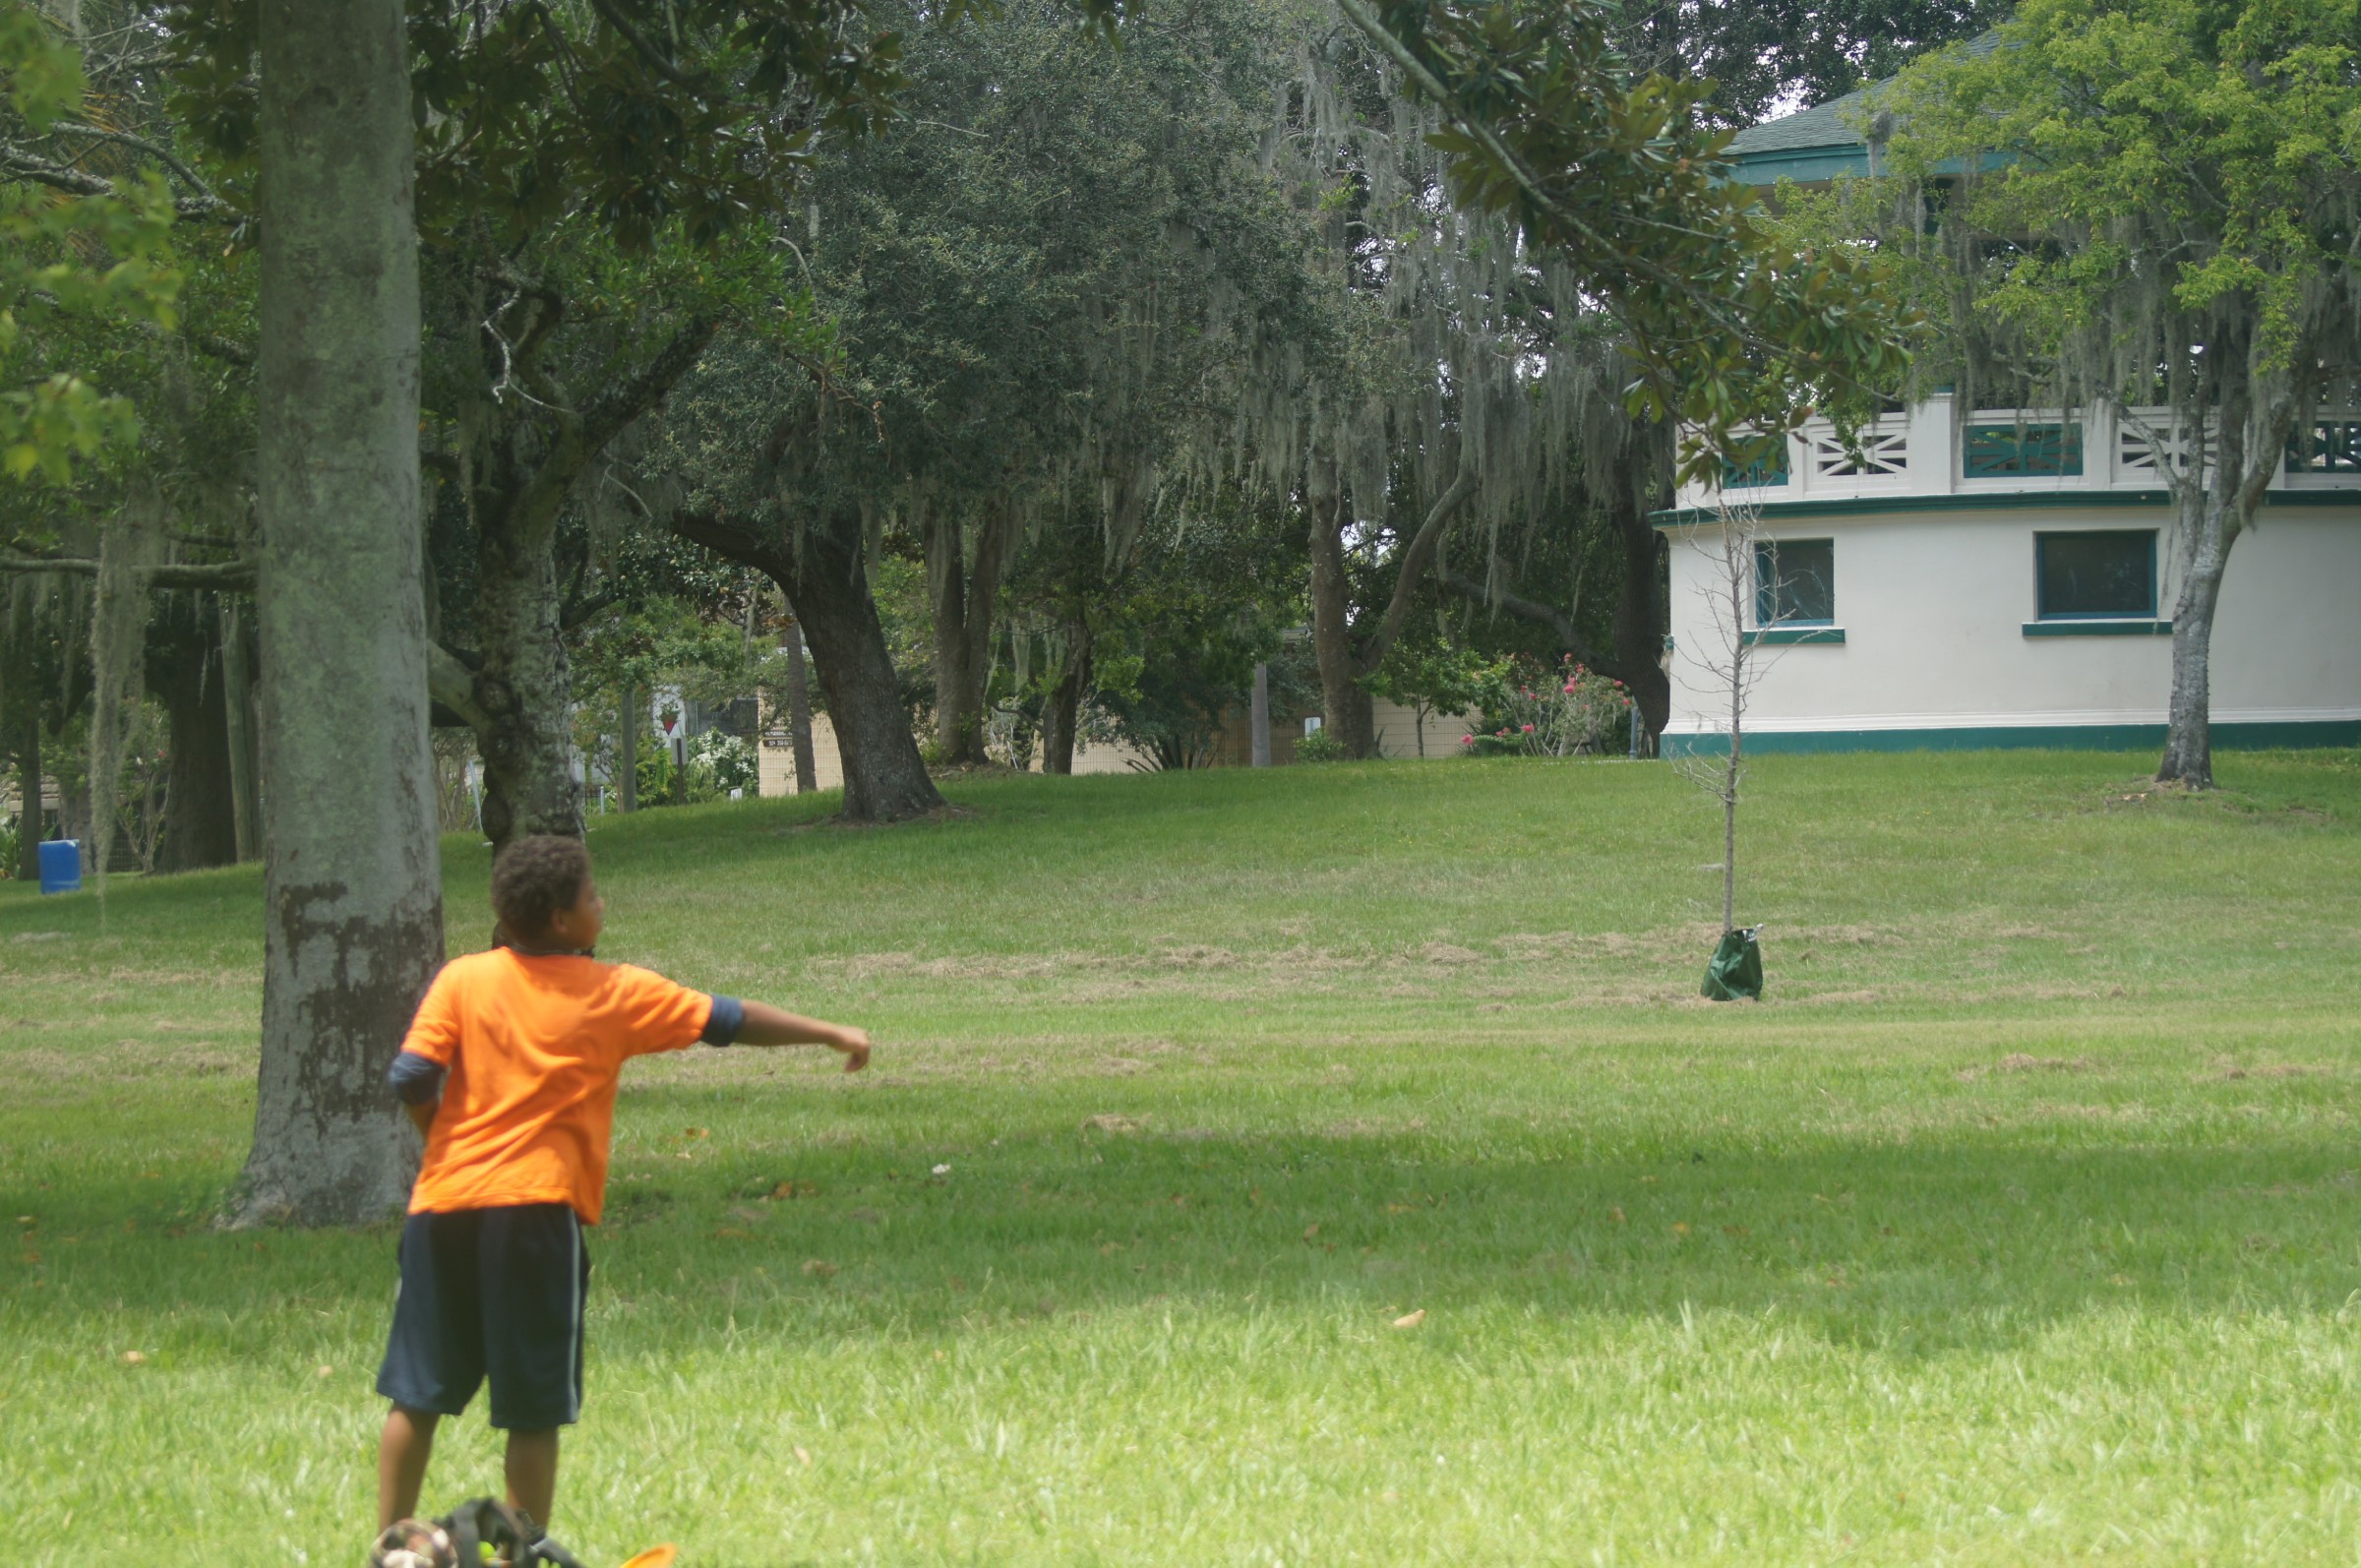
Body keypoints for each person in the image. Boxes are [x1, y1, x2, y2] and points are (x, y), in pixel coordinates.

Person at [373, 833, 870, 1548]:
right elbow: (728, 1021)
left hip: (441, 1209)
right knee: (532, 1407)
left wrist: (440, 1142)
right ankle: (520, 1556)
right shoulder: (614, 993)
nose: (601, 904)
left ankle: (390, 1550)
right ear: (564, 921)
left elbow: (411, 1076)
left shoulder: (461, 979)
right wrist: (829, 1031)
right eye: (593, 896)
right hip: (536, 1217)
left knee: (416, 1393)